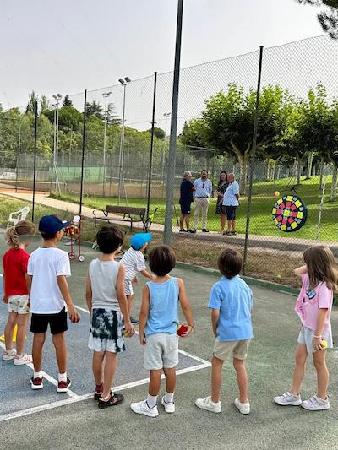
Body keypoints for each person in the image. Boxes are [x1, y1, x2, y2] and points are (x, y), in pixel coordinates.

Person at [130, 245, 194, 417]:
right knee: (171, 368)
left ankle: (151, 405)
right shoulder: (178, 283)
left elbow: (144, 312)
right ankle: (169, 401)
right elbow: (186, 305)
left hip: (154, 335)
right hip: (171, 335)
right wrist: (191, 324)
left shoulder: (149, 287)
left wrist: (141, 332)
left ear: (151, 265)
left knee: (155, 370)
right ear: (172, 264)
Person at [274, 246, 338, 411]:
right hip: (307, 328)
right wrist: (310, 264)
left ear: (315, 265)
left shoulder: (324, 287)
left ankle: (322, 399)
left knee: (319, 363)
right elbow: (296, 271)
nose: (305, 266)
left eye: (308, 263)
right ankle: (294, 395)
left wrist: (317, 336)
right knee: (299, 359)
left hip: (319, 333)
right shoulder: (309, 279)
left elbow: (323, 313)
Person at [195, 248, 253, 415]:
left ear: (220, 267)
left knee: (217, 363)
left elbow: (215, 312)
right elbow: (249, 306)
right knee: (240, 364)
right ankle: (244, 402)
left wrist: (216, 329)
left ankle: (214, 401)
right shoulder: (244, 284)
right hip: (245, 330)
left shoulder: (218, 287)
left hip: (227, 331)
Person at [26, 215, 80, 392]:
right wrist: (70, 305)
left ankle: (37, 377)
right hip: (56, 305)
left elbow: (29, 278)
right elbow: (61, 281)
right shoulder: (61, 255)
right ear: (57, 234)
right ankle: (62, 379)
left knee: (38, 338)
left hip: (38, 305)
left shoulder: (33, 255)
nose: (64, 231)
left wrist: (31, 297)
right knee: (59, 340)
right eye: (62, 229)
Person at [86, 225, 134, 408]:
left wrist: (92, 312)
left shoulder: (92, 265)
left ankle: (98, 388)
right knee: (111, 353)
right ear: (119, 246)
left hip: (97, 312)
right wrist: (128, 320)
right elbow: (121, 295)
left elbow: (88, 293)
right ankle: (106, 395)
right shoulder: (118, 267)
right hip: (113, 314)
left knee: (98, 352)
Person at [2, 220, 36, 365]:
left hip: (11, 294)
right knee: (22, 324)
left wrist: (5, 293)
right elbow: (28, 278)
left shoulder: (7, 255)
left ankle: (9, 351)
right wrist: (31, 295)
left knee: (11, 321)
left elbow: (6, 275)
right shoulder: (25, 257)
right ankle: (20, 355)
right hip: (23, 294)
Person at [121, 232, 153, 324]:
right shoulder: (139, 255)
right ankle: (126, 317)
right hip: (126, 279)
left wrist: (134, 276)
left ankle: (124, 315)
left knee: (126, 296)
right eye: (146, 242)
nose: (147, 243)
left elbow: (129, 264)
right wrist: (152, 277)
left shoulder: (130, 250)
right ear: (142, 245)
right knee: (130, 296)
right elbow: (142, 270)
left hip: (121, 276)